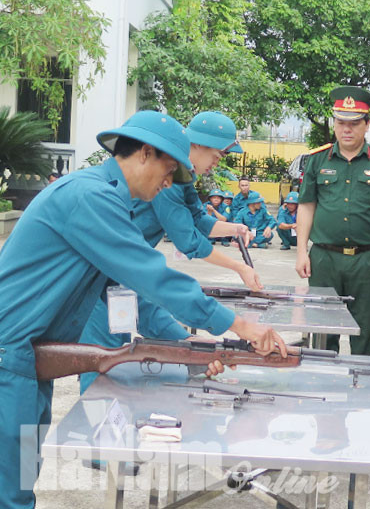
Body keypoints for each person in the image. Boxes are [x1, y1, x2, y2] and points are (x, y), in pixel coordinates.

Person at [0, 110, 287, 508]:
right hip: (8, 355)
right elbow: (152, 275)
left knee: (19, 480)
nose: (168, 183)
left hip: (26, 357)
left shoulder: (107, 198)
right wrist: (238, 325)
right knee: (10, 493)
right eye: (168, 170)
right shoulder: (90, 197)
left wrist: (189, 345)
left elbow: (129, 292)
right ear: (145, 153)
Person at [77, 110, 260, 394]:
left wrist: (235, 229)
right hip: (108, 280)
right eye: (217, 155)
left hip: (123, 279)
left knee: (117, 358)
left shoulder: (179, 178)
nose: (216, 163)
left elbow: (198, 220)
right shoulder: (96, 195)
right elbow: (186, 244)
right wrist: (236, 302)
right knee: (102, 371)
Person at [296, 86, 370, 356]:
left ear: (367, 124)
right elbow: (306, 206)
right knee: (322, 329)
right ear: (334, 123)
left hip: (368, 260)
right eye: (341, 122)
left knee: (364, 330)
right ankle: (322, 378)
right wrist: (301, 252)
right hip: (324, 258)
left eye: (354, 123)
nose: (346, 129)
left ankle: (362, 381)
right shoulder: (317, 160)